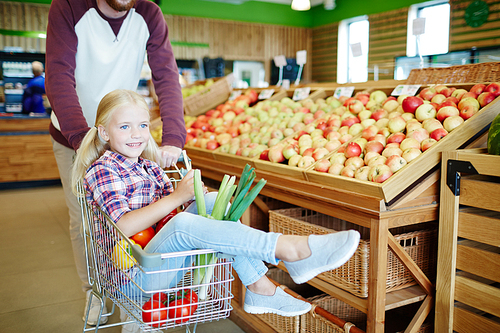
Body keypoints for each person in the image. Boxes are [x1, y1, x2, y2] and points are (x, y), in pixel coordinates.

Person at [71, 89, 361, 330]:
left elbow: (181, 212)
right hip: (133, 275)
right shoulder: (102, 170)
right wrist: (175, 200)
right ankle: (289, 251)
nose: (136, 134)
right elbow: (122, 226)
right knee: (183, 224)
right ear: (104, 133)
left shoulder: (149, 167)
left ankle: (259, 285)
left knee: (210, 205)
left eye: (143, 125)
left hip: (166, 260)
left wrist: (196, 198)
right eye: (125, 126)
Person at [45, 0, 186, 326]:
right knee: (85, 219)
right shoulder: (67, 7)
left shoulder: (149, 14)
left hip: (125, 132)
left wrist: (174, 137)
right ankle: (94, 291)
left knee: (139, 210)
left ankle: (131, 295)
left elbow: (165, 73)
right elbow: (58, 74)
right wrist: (86, 141)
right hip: (73, 134)